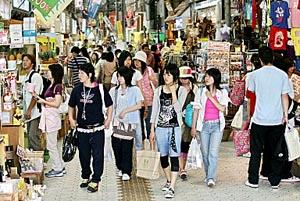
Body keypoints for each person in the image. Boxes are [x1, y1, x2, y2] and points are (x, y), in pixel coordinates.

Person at [245, 46, 291, 189]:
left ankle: (253, 180)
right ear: (272, 58)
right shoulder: (282, 75)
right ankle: (275, 181)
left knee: (256, 151)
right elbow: (285, 96)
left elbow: (250, 94)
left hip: (259, 119)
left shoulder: (253, 75)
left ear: (259, 59)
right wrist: (286, 115)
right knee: (275, 151)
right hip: (277, 120)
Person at [68, 63, 113, 193]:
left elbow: (110, 105)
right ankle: (85, 175)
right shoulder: (77, 90)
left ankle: (96, 179)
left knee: (98, 155)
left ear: (90, 75)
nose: (79, 76)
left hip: (97, 128)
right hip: (82, 129)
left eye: (82, 73)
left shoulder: (99, 89)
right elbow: (71, 106)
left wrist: (108, 120)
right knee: (84, 155)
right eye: (79, 73)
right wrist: (71, 118)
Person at [150, 63, 187, 199]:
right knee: (163, 156)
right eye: (164, 74)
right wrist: (152, 130)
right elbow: (154, 110)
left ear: (175, 76)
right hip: (160, 128)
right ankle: (168, 180)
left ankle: (171, 186)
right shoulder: (158, 90)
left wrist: (173, 92)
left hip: (174, 129)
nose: (166, 77)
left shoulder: (182, 90)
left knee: (174, 156)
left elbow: (178, 109)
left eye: (169, 74)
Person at [191, 68, 229, 188]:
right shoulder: (200, 92)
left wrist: (211, 98)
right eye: (206, 76)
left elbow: (223, 109)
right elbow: (196, 110)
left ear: (215, 78)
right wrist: (193, 127)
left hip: (217, 125)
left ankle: (211, 177)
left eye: (209, 76)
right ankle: (208, 175)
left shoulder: (222, 93)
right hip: (204, 126)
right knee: (205, 152)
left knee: (213, 153)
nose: (206, 78)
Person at [109, 67, 144, 181]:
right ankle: (119, 166)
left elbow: (139, 105)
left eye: (121, 76)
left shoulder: (135, 90)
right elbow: (110, 105)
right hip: (116, 122)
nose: (119, 78)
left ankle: (126, 170)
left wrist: (126, 110)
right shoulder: (114, 91)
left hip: (129, 123)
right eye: (118, 76)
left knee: (126, 146)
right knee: (116, 146)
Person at [34, 64, 65, 178]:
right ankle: (59, 165)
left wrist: (43, 101)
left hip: (52, 118)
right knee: (52, 145)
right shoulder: (52, 85)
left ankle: (58, 168)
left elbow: (57, 104)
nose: (47, 72)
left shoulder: (57, 86)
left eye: (49, 71)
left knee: (51, 145)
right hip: (49, 117)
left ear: (54, 73)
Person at [111, 51, 144, 150]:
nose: (128, 62)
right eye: (126, 59)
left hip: (134, 107)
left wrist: (144, 105)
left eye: (130, 59)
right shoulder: (116, 74)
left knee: (137, 132)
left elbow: (140, 89)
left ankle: (138, 151)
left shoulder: (136, 73)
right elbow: (113, 92)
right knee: (121, 135)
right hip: (119, 109)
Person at [178, 66, 198, 181]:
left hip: (190, 121)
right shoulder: (176, 89)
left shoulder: (195, 89)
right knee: (179, 143)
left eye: (186, 78)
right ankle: (182, 168)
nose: (184, 80)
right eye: (182, 78)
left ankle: (183, 167)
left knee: (186, 144)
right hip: (179, 120)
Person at [133, 51, 158, 140]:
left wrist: (153, 80)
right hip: (137, 103)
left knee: (149, 124)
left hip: (149, 101)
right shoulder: (133, 72)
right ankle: (142, 144)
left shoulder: (149, 70)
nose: (136, 62)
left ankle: (151, 144)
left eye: (138, 61)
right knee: (139, 126)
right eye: (135, 60)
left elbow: (155, 84)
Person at [22, 54, 43, 151]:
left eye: (27, 60)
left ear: (32, 63)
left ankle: (39, 160)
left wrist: (29, 110)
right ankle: (33, 160)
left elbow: (35, 96)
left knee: (32, 136)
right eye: (23, 60)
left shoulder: (36, 76)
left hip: (35, 112)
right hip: (29, 112)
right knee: (30, 138)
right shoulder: (27, 77)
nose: (24, 62)